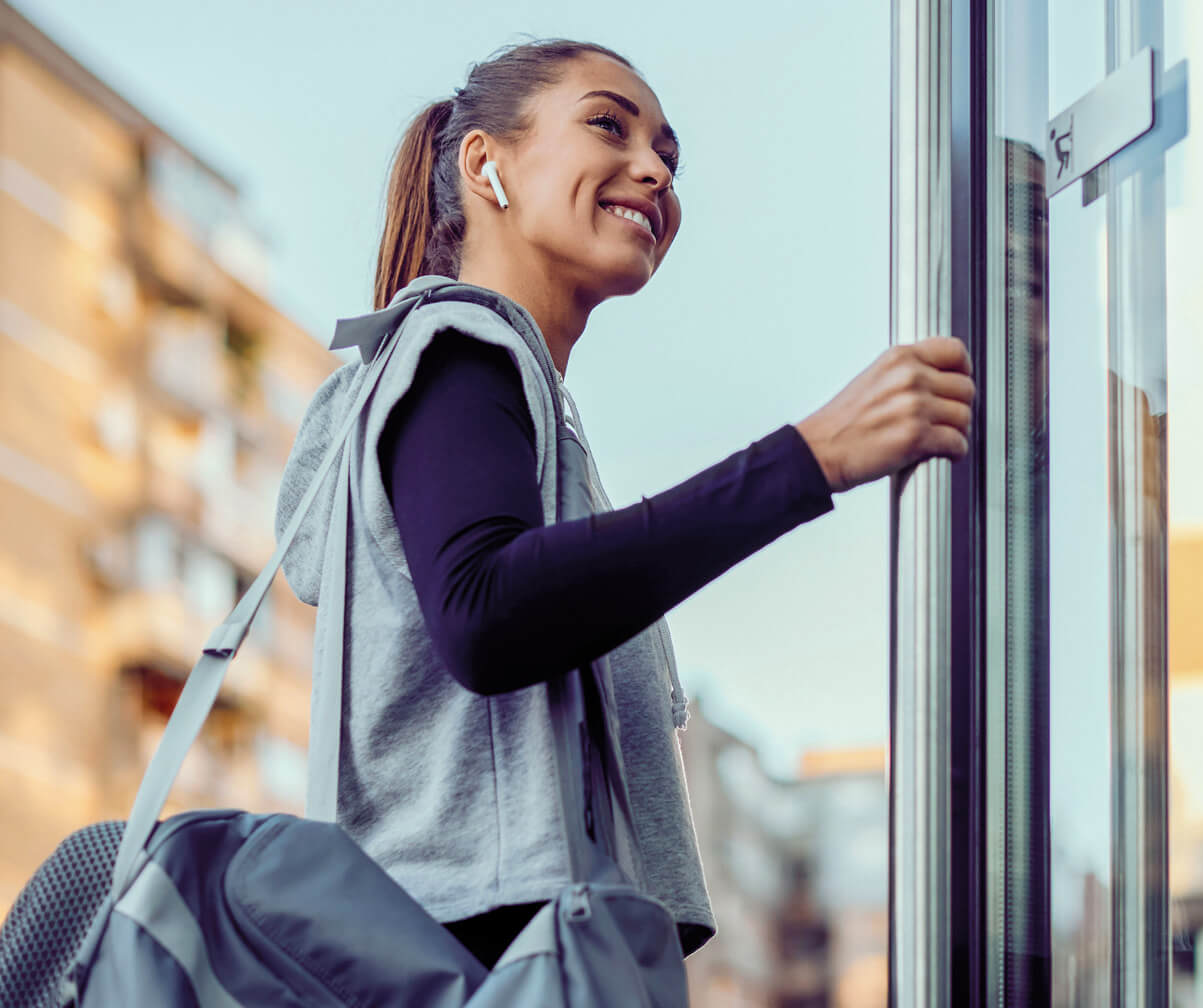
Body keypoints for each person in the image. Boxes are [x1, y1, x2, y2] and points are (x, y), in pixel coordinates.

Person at [273, 40, 974, 971]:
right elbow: (488, 614)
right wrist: (811, 459)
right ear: (488, 165)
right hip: (488, 953)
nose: (654, 169)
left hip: (507, 948)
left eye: (670, 156)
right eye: (610, 125)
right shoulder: (457, 348)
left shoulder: (512, 399)